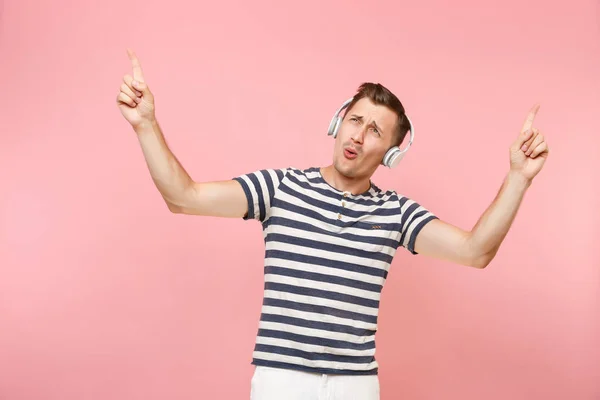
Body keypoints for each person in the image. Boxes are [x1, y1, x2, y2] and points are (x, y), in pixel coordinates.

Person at [116, 49, 549, 400]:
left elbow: (476, 252)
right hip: (280, 380)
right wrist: (146, 125)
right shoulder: (280, 187)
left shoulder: (396, 213)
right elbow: (184, 198)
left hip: (354, 385)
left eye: (376, 131)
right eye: (355, 120)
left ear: (392, 154)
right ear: (338, 123)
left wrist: (518, 177)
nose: (359, 136)